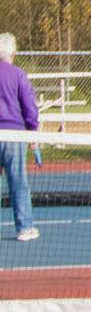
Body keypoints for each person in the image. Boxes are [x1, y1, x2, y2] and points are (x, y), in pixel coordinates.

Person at [0, 33, 40, 242]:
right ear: (13, 53)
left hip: (12, 134)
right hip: (14, 136)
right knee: (18, 182)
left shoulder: (18, 75)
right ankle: (25, 228)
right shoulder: (18, 75)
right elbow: (30, 107)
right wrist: (33, 131)